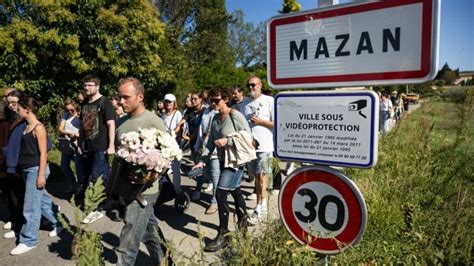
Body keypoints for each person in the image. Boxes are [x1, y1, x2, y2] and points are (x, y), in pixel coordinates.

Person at [114, 77, 170, 265]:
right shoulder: (121, 123)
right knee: (148, 231)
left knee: (128, 239)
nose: (121, 102)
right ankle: (165, 261)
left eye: (126, 97)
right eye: (120, 97)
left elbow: (169, 154)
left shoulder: (153, 121)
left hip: (145, 191)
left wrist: (153, 174)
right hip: (126, 188)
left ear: (140, 97)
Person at [192, 87, 255, 252]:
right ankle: (243, 229)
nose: (213, 103)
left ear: (226, 99)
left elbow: (249, 139)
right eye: (211, 100)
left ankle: (223, 235)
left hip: (235, 163)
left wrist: (228, 141)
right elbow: (211, 144)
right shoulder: (214, 118)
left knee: (220, 193)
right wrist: (202, 162)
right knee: (235, 191)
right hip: (222, 160)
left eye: (217, 100)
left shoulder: (235, 115)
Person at [10, 96, 63, 255]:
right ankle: (57, 223)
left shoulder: (38, 127)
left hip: (36, 170)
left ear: (27, 109)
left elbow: (44, 153)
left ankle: (29, 240)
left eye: (19, 107)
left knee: (30, 206)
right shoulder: (26, 126)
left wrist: (41, 175)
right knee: (40, 201)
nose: (17, 110)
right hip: (27, 169)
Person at [79, 74, 116, 224]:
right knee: (88, 176)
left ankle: (98, 209)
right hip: (87, 146)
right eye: (85, 85)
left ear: (97, 86)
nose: (86, 88)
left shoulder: (104, 102)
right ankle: (103, 201)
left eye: (90, 85)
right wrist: (79, 143)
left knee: (97, 177)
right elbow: (82, 125)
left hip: (101, 146)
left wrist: (111, 145)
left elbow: (111, 124)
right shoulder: (84, 104)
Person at [243, 76, 275, 224]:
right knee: (256, 178)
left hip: (265, 146)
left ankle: (260, 209)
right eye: (248, 85)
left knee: (263, 178)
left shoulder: (269, 100)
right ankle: (261, 205)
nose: (251, 88)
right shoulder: (246, 104)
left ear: (260, 85)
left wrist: (261, 121)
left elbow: (276, 123)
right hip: (251, 147)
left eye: (253, 85)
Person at [2, 89, 27, 239]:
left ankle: (21, 227)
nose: (10, 105)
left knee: (22, 197)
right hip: (12, 161)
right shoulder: (13, 117)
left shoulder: (23, 119)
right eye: (9, 102)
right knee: (13, 194)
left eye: (14, 103)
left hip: (21, 163)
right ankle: (15, 221)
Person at [58, 99, 83, 194]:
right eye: (67, 110)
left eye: (71, 110)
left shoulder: (80, 116)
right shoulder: (66, 115)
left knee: (78, 167)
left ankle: (80, 186)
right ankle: (71, 182)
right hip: (67, 144)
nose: (70, 112)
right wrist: (69, 132)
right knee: (64, 166)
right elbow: (60, 128)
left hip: (76, 145)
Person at [161, 93, 183, 194]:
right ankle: (166, 188)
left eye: (170, 102)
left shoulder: (177, 114)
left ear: (174, 103)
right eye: (166, 101)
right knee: (164, 167)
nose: (168, 104)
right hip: (165, 144)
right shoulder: (164, 114)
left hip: (174, 144)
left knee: (175, 168)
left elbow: (180, 129)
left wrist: (173, 132)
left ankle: (177, 190)